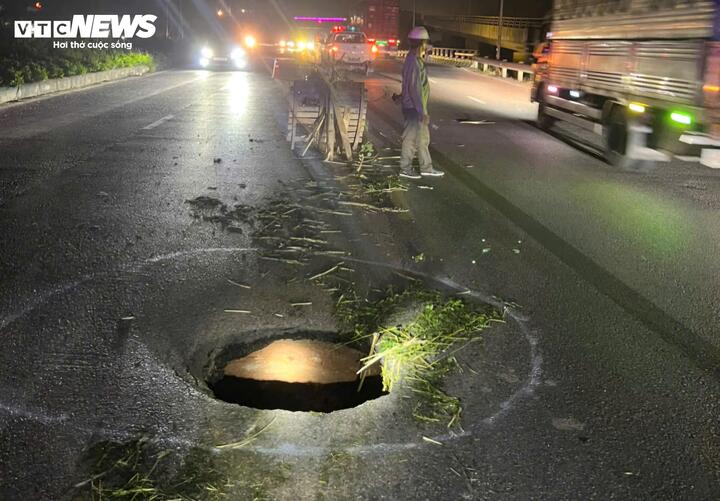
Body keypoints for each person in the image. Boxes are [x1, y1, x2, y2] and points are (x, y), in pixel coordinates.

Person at [399, 26, 444, 179]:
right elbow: (415, 89)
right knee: (410, 139)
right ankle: (405, 168)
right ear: (422, 43)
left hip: (416, 107)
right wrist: (422, 112)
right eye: (425, 43)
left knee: (423, 138)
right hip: (414, 108)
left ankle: (426, 167)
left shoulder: (415, 59)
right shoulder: (413, 61)